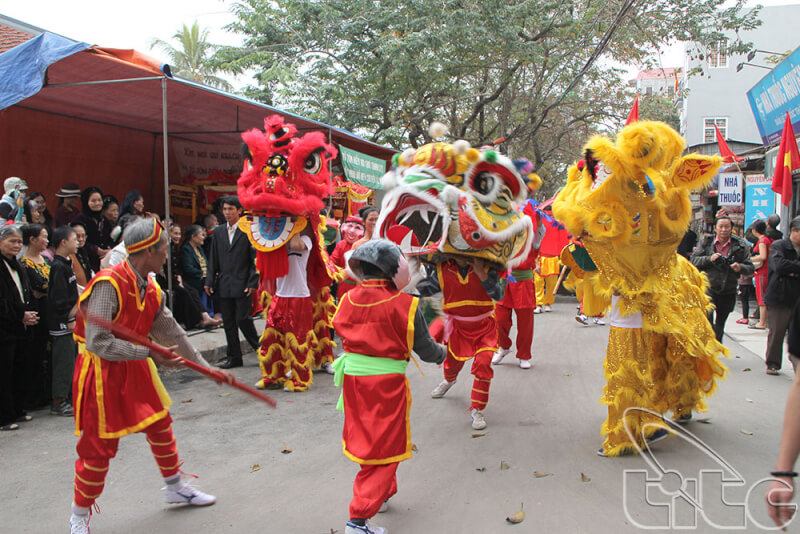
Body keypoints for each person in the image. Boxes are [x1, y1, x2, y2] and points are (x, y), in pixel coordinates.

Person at [67, 217, 235, 534]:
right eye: (163, 249)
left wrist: (206, 368)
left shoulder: (150, 285)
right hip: (100, 371)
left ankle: (174, 487)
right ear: (147, 252)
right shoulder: (108, 284)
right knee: (98, 449)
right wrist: (150, 353)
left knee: (159, 423)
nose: (167, 254)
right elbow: (99, 342)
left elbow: (172, 331)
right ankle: (78, 515)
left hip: (135, 362)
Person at [332, 240, 445, 534]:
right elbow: (428, 351)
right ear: (395, 268)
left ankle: (381, 494)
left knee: (370, 440)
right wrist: (447, 352)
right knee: (385, 445)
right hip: (386, 385)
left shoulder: (346, 299)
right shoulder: (406, 304)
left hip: (354, 383)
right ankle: (358, 520)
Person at [422, 257, 503, 430]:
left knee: (483, 364)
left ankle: (477, 408)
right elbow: (427, 293)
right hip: (458, 327)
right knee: (452, 363)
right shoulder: (441, 268)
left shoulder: (488, 266)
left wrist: (481, 273)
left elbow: (498, 294)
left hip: (485, 326)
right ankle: (449, 380)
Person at [204, 195, 260, 369]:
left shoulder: (248, 230)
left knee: (243, 319)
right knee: (228, 321)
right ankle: (234, 357)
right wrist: (209, 280)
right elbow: (213, 258)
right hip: (225, 282)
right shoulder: (219, 232)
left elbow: (255, 260)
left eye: (230, 209)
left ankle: (261, 350)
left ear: (239, 211)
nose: (227, 212)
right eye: (225, 209)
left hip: (243, 282)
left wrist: (252, 282)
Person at [690, 216, 754, 342]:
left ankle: (716, 346)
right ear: (715, 228)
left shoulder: (740, 245)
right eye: (721, 227)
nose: (724, 230)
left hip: (728, 289)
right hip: (709, 288)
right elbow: (693, 261)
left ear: (732, 229)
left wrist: (739, 267)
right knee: (707, 319)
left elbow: (750, 268)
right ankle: (709, 347)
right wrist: (710, 258)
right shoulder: (707, 243)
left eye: (727, 227)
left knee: (720, 323)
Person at [0, 225, 39, 431]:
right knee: (4, 374)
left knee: (19, 370)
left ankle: (17, 409)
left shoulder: (19, 266)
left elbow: (26, 293)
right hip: (5, 330)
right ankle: (3, 416)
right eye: (11, 241)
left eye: (18, 242)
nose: (16, 245)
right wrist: (18, 316)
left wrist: (29, 314)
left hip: (21, 328)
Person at [48, 226, 79, 417]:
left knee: (72, 360)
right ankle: (58, 400)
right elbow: (59, 299)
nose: (77, 242)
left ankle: (68, 396)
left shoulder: (66, 264)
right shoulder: (58, 267)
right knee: (63, 361)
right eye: (74, 239)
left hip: (71, 322)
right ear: (63, 242)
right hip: (62, 323)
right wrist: (70, 316)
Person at [20, 224, 52, 410]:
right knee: (36, 353)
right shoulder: (25, 264)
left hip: (50, 311)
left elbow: (50, 285)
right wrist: (47, 289)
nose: (46, 241)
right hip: (38, 313)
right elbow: (42, 286)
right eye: (43, 236)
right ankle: (34, 397)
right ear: (32, 240)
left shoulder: (45, 259)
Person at [764, 216, 800, 375]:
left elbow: (787, 267)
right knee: (777, 332)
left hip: (797, 297)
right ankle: (772, 363)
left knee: (796, 334)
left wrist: (792, 269)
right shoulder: (779, 246)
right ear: (794, 231)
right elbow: (779, 266)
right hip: (779, 296)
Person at [72, 186, 109, 272]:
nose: (97, 203)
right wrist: (95, 250)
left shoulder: (104, 219)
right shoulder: (80, 219)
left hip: (104, 259)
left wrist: (108, 250)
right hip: (86, 259)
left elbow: (108, 238)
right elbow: (77, 239)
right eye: (93, 201)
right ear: (86, 202)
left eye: (99, 200)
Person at [750, 219, 774, 330]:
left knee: (762, 297)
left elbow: (763, 256)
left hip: (762, 271)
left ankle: (762, 322)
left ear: (755, 230)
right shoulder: (768, 239)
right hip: (767, 271)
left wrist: (750, 259)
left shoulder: (763, 241)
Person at [69, 223, 94, 292]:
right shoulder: (69, 255)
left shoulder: (84, 252)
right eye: (77, 236)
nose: (80, 239)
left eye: (83, 236)